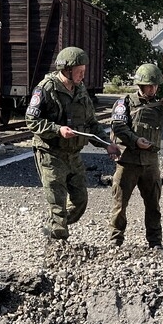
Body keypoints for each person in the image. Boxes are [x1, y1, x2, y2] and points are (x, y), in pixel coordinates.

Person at [26, 46, 120, 241]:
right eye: (79, 71)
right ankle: (58, 243)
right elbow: (32, 121)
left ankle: (54, 225)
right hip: (51, 154)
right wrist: (57, 129)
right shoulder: (46, 89)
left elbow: (92, 124)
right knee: (57, 201)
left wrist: (106, 144)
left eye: (84, 71)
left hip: (74, 155)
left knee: (80, 201)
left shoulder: (81, 90)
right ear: (66, 69)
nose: (82, 75)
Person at [108, 63, 163, 254]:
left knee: (153, 205)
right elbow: (118, 126)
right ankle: (115, 241)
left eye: (155, 86)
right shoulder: (124, 103)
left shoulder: (159, 107)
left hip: (151, 164)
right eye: (148, 86)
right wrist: (135, 140)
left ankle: (155, 242)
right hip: (128, 163)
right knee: (120, 204)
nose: (152, 89)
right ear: (140, 85)